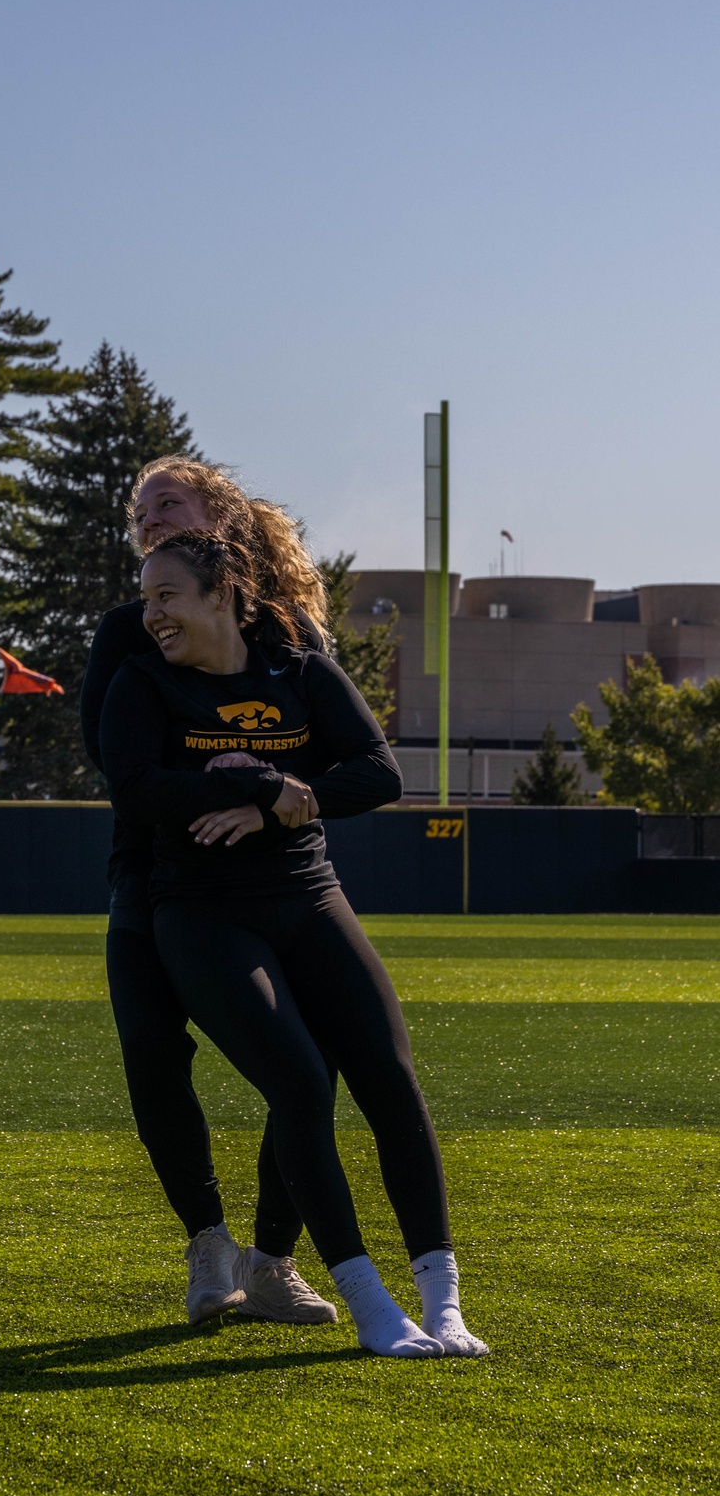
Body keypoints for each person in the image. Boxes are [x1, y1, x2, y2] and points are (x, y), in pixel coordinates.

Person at [99, 530, 489, 1359]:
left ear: (222, 594)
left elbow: (379, 771)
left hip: (309, 897)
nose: (151, 613)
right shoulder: (141, 682)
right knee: (304, 1087)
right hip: (200, 912)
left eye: (167, 595)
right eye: (147, 596)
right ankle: (374, 1307)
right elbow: (135, 791)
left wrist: (284, 794)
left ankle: (445, 1301)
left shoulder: (300, 670)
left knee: (389, 1078)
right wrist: (247, 784)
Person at [81, 457, 339, 1327]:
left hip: (275, 879)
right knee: (155, 1058)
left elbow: (330, 752)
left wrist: (263, 800)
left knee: (306, 1069)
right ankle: (207, 1248)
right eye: (139, 508)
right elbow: (121, 767)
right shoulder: (127, 630)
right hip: (151, 877)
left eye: (167, 501)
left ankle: (273, 1262)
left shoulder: (289, 627)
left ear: (219, 516)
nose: (149, 516)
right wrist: (237, 783)